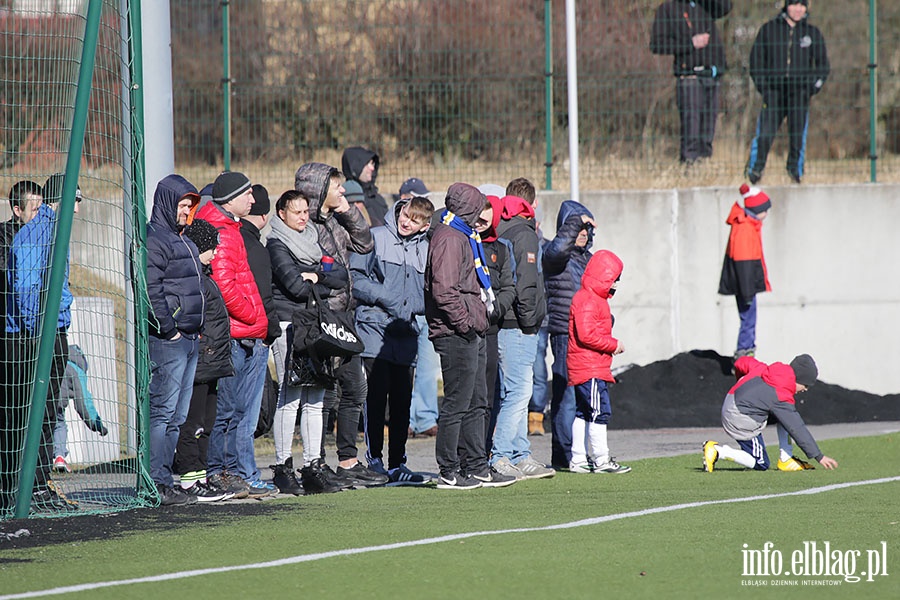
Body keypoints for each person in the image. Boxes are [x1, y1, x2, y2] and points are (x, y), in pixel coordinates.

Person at [294, 162, 387, 487]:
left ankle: (348, 460)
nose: (342, 191)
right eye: (336, 188)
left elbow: (364, 243)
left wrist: (347, 211)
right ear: (319, 191)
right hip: (322, 319)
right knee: (326, 392)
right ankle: (316, 461)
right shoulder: (307, 228)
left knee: (354, 387)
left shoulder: (334, 220)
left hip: (345, 317)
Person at [426, 183, 515, 490]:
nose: (481, 215)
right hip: (455, 332)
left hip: (472, 327)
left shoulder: (465, 235)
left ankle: (477, 465)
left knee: (477, 401)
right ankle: (449, 470)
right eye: (477, 208)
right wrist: (464, 323)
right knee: (457, 402)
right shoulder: (449, 238)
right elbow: (444, 291)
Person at [1, 180, 77, 512]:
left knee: (46, 415)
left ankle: (37, 486)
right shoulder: (35, 234)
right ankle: (15, 492)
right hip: (32, 339)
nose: (77, 206)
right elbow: (27, 289)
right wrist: (37, 335)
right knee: (22, 418)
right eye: (74, 198)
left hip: (50, 333)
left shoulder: (54, 231)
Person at [267, 189, 349, 495]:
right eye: (296, 212)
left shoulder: (314, 238)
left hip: (314, 324)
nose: (303, 217)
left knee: (316, 397)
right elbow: (294, 286)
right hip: (290, 323)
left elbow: (340, 275)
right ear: (282, 214)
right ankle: (283, 466)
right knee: (290, 396)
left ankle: (314, 466)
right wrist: (319, 277)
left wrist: (315, 276)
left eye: (305, 211)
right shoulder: (276, 243)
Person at [196, 172, 272, 499]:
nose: (253, 201)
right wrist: (253, 314)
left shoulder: (233, 228)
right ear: (231, 198)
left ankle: (231, 472)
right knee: (225, 410)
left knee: (235, 411)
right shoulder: (223, 232)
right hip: (234, 334)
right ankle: (220, 473)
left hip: (245, 331)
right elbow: (226, 288)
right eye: (247, 195)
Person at [352, 195, 435, 485]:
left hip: (406, 334)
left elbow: (430, 293)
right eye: (406, 215)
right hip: (374, 330)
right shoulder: (375, 237)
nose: (407, 222)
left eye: (415, 220)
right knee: (375, 399)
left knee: (402, 402)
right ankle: (374, 460)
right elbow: (356, 279)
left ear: (425, 226)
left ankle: (398, 463)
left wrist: (416, 305)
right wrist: (385, 296)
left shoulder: (426, 249)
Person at [146, 174, 205, 506]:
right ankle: (156, 481)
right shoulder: (156, 239)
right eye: (183, 205)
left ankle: (165, 479)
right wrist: (169, 329)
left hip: (190, 338)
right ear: (169, 204)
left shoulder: (186, 240)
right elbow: (152, 290)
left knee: (178, 417)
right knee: (163, 412)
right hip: (170, 341)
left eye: (190, 206)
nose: (186, 212)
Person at [489, 182, 553, 480]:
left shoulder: (500, 229)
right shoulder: (525, 234)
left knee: (511, 391)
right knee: (519, 392)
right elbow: (526, 284)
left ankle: (520, 453)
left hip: (505, 323)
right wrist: (530, 322)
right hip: (518, 325)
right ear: (532, 203)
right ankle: (501, 455)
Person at [172, 218, 233, 502]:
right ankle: (188, 479)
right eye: (213, 247)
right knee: (193, 423)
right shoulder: (192, 278)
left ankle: (201, 476)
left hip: (212, 363)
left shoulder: (205, 276)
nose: (217, 253)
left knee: (207, 422)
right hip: (201, 362)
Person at [703, 354, 839, 472]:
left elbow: (743, 362)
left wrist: (740, 380)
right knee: (761, 463)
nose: (806, 389)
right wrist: (819, 456)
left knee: (782, 417)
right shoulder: (782, 394)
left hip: (731, 402)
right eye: (806, 385)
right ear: (799, 379)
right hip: (739, 417)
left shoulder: (766, 369)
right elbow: (796, 427)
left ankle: (786, 459)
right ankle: (718, 451)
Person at [746, 0, 829, 184]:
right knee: (765, 134)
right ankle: (755, 170)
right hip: (774, 92)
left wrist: (812, 87)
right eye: (794, 4)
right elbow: (756, 61)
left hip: (799, 93)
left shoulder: (812, 33)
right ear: (786, 6)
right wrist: (764, 87)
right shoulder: (768, 29)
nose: (798, 9)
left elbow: (823, 65)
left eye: (802, 5)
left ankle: (794, 172)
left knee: (797, 135)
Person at [234, 184, 282, 495]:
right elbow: (264, 295)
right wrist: (271, 330)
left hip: (232, 333)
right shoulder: (256, 249)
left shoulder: (234, 239)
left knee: (230, 411)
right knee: (245, 413)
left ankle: (230, 470)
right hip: (250, 335)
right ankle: (245, 471)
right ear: (263, 216)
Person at [542, 200, 596, 469]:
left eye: (587, 227)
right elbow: (558, 246)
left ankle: (581, 453)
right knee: (567, 396)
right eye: (578, 226)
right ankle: (563, 455)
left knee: (587, 397)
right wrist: (575, 222)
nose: (583, 232)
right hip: (565, 333)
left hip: (588, 336)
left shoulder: (587, 259)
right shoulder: (554, 255)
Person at [567, 249, 631, 474]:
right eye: (614, 280)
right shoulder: (588, 299)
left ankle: (578, 458)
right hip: (589, 367)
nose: (615, 285)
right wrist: (613, 344)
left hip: (588, 366)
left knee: (583, 412)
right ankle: (601, 459)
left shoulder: (592, 298)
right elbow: (586, 335)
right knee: (598, 412)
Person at [650, 0, 732, 167]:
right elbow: (657, 44)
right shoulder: (668, 9)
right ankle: (689, 169)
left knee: (708, 131)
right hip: (689, 77)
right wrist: (690, 44)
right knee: (691, 130)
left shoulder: (707, 4)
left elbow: (726, 7)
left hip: (712, 75)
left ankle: (704, 168)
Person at [404, 178, 441, 438]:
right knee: (404, 368)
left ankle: (425, 417)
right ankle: (403, 417)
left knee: (428, 368)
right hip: (404, 312)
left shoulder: (432, 241)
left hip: (427, 312)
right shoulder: (393, 238)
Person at [718, 184, 771, 359]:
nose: (767, 214)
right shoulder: (745, 229)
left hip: (745, 284)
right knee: (748, 320)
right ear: (756, 210)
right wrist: (748, 291)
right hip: (744, 286)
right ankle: (744, 354)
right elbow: (743, 263)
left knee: (749, 320)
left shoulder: (748, 225)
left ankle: (747, 351)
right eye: (765, 210)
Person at [52, 344, 109, 474]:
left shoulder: (53, 358)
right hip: (58, 405)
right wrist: (96, 424)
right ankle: (59, 457)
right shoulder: (76, 369)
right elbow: (83, 402)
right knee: (59, 425)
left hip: (36, 403)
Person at [341, 146, 389, 227]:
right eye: (368, 164)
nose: (372, 168)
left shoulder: (377, 198)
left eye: (373, 164)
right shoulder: (346, 197)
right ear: (356, 166)